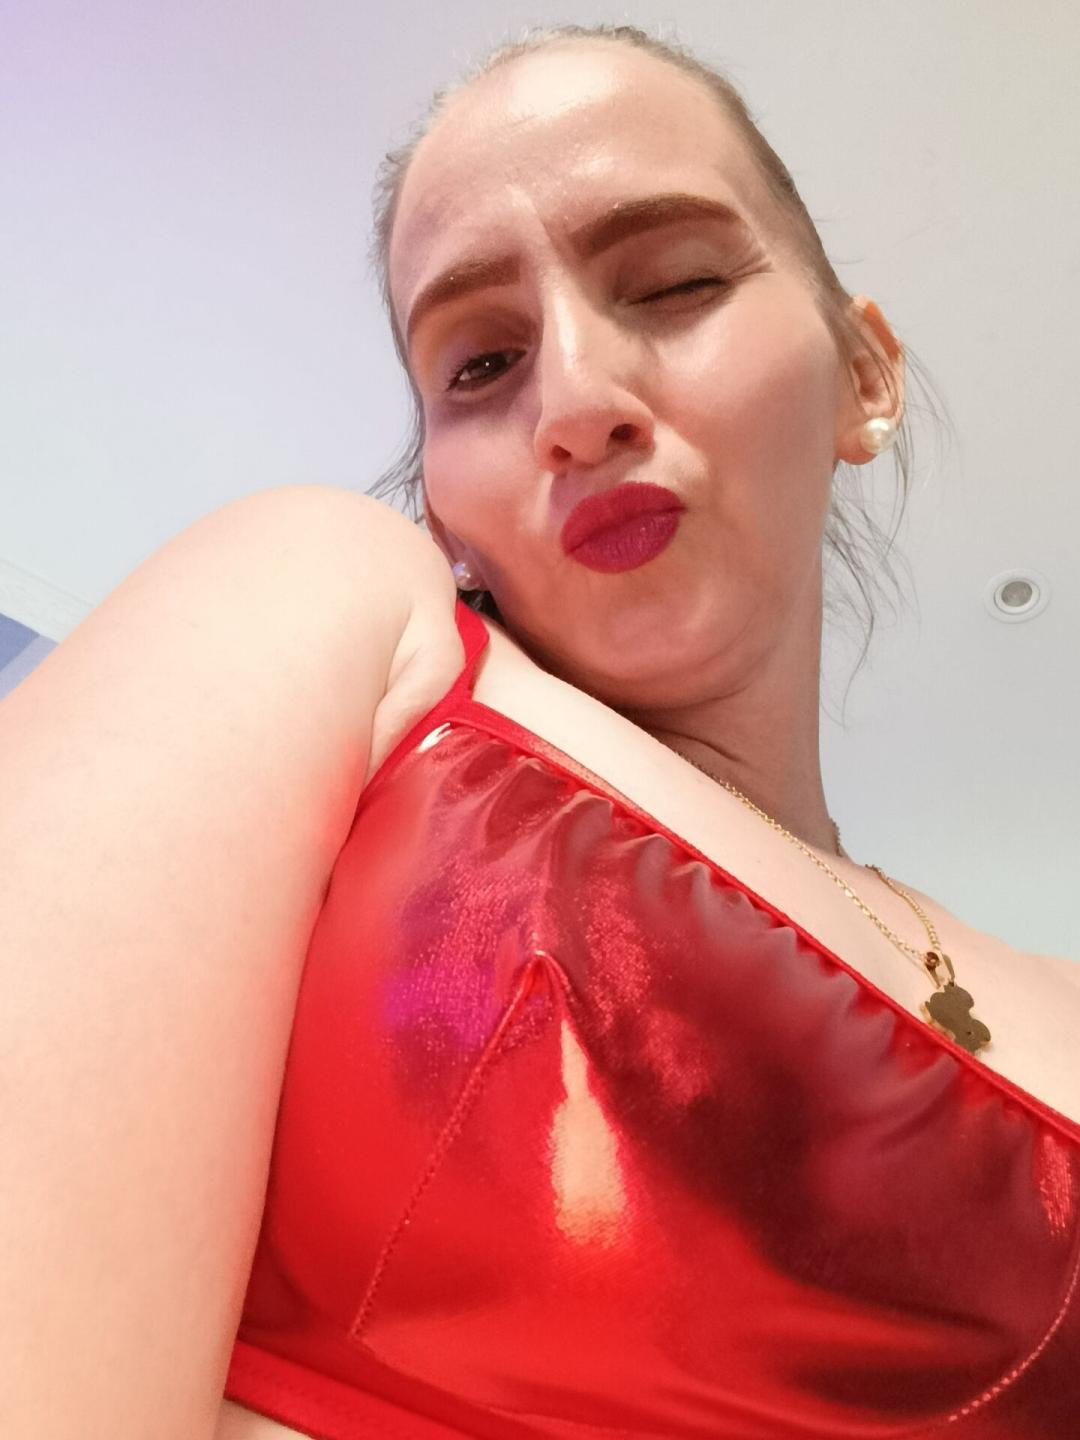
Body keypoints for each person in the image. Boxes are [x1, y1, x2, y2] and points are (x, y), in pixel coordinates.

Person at [3, 23, 1077, 1440]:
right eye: (480, 363)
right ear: (442, 506)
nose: (575, 403)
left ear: (864, 375)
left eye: (678, 283)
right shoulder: (329, 613)